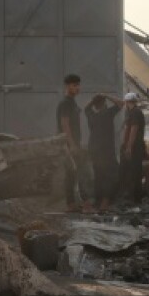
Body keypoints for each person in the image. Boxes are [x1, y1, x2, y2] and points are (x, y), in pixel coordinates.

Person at [56, 74, 92, 212]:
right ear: (67, 86)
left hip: (72, 143)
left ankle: (71, 204)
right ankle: (86, 204)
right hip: (69, 145)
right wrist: (71, 145)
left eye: (78, 85)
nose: (77, 88)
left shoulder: (72, 102)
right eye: (74, 85)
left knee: (71, 174)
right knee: (82, 172)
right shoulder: (66, 103)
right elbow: (64, 124)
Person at [85, 94, 122, 211]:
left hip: (94, 150)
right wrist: (106, 95)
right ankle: (105, 203)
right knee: (110, 175)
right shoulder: (107, 114)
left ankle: (98, 201)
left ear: (95, 106)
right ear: (104, 104)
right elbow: (121, 103)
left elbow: (86, 107)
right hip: (106, 151)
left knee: (98, 175)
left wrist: (94, 99)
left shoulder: (91, 115)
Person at [117, 93, 147, 204]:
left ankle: (135, 199)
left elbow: (134, 130)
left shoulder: (135, 113)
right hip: (132, 146)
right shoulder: (131, 112)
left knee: (134, 173)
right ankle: (129, 196)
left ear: (127, 102)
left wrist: (129, 147)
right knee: (127, 172)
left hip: (134, 148)